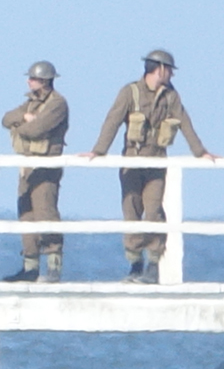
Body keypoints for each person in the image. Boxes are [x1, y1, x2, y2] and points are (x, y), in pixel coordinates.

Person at [84, 50, 217, 283]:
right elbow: (113, 121)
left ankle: (154, 266)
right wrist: (98, 151)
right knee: (131, 209)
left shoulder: (171, 97)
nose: (171, 76)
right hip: (131, 161)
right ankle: (135, 265)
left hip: (157, 161)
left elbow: (185, 123)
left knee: (154, 210)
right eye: (170, 71)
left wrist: (201, 152)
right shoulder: (130, 92)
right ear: (161, 69)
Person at [0, 61, 70, 282]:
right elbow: (6, 118)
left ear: (44, 81)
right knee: (26, 214)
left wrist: (21, 127)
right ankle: (30, 267)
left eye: (32, 78)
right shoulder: (30, 103)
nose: (28, 82)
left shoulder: (57, 104)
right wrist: (24, 118)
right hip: (28, 166)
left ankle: (53, 267)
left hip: (46, 166)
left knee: (45, 211)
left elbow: (37, 129)